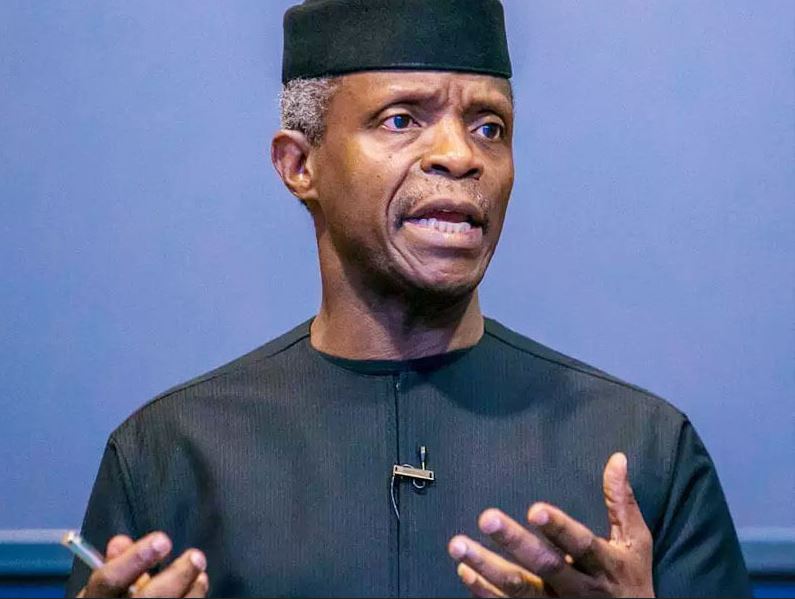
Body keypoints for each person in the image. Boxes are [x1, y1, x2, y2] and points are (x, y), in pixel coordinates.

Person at [66, 1, 752, 597]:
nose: (460, 154)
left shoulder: (643, 451)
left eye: (489, 127)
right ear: (299, 164)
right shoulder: (167, 456)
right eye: (400, 120)